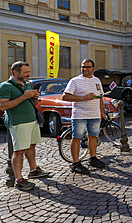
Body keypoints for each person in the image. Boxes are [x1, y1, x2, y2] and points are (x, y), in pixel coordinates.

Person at [0, 62, 50, 190]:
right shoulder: (5, 86)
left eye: (29, 71)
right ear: (15, 72)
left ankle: (33, 170)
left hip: (31, 120)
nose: (29, 74)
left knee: (31, 145)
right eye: (25, 72)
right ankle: (19, 179)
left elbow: (32, 102)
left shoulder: (28, 84)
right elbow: (3, 106)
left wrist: (35, 98)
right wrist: (24, 96)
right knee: (19, 150)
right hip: (18, 122)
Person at [62, 59, 107, 174]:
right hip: (79, 115)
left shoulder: (97, 80)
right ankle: (75, 163)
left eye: (87, 67)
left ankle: (93, 158)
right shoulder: (75, 81)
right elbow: (65, 97)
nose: (85, 69)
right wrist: (83, 97)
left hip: (94, 114)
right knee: (76, 138)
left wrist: (102, 112)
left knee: (93, 136)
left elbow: (100, 97)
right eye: (83, 67)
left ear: (93, 68)